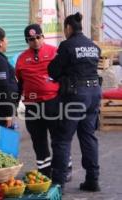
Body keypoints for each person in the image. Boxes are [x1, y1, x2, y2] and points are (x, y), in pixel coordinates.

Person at [48, 12, 101, 191]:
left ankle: (58, 183)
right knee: (88, 136)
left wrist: (63, 76)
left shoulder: (67, 45)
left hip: (75, 96)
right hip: (94, 94)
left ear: (68, 28)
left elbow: (53, 70)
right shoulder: (93, 46)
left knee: (62, 139)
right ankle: (92, 179)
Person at [15, 24, 72, 179]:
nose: (35, 41)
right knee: (38, 140)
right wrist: (14, 103)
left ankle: (65, 168)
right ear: (27, 41)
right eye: (31, 39)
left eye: (38, 37)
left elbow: (66, 76)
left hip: (53, 103)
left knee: (58, 139)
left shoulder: (55, 52)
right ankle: (45, 172)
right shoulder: (21, 59)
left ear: (43, 36)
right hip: (32, 107)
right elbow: (19, 84)